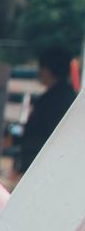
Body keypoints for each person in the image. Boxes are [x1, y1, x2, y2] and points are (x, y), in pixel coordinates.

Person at [17, 43, 75, 175]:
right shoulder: (70, 97)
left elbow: (38, 136)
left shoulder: (50, 101)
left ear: (48, 70)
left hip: (42, 166)